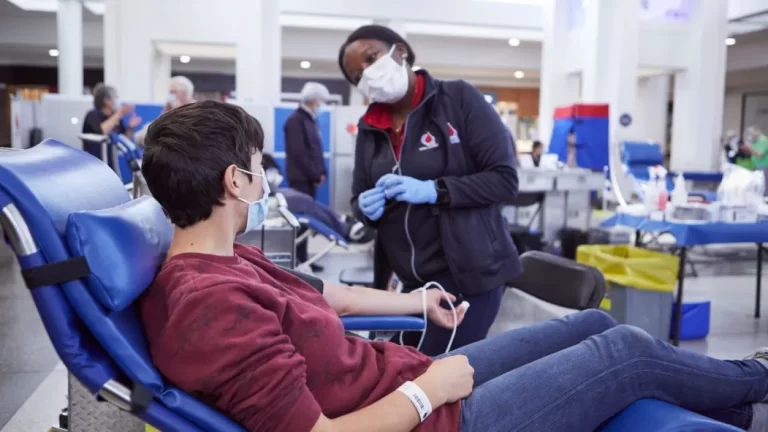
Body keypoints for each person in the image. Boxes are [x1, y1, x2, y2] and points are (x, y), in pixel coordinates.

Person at [139, 101, 768, 432]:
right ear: (234, 181)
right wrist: (427, 392)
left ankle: (733, 410)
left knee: (589, 327)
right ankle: (755, 378)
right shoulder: (210, 307)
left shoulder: (224, 261)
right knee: (624, 349)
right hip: (432, 419)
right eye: (257, 166)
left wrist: (418, 302)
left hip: (410, 382)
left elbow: (331, 299)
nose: (264, 179)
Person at [337, 25, 520, 355]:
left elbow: (504, 179)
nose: (367, 73)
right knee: (400, 367)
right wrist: (364, 208)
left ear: (400, 52)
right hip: (410, 284)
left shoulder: (458, 100)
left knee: (438, 375)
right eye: (357, 75)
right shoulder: (369, 128)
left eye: (371, 58)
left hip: (468, 274)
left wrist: (436, 190)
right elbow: (358, 196)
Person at [261, 153, 374, 244]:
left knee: (304, 198)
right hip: (269, 198)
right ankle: (346, 230)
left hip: (272, 194)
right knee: (305, 203)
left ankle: (341, 219)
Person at [285, 82, 331, 271]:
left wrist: (322, 172)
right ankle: (297, 260)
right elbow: (299, 153)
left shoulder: (310, 120)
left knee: (307, 221)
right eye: (321, 101)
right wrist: (314, 174)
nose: (321, 105)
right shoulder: (295, 120)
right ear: (315, 100)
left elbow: (316, 151)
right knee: (301, 222)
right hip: (301, 180)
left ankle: (303, 258)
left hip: (310, 179)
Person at [81, 83, 141, 160]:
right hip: (96, 160)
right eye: (115, 97)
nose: (117, 100)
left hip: (113, 160)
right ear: (106, 101)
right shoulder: (93, 115)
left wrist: (130, 127)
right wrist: (119, 113)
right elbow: (101, 131)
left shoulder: (116, 117)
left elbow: (124, 139)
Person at [134, 75, 196, 148]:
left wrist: (176, 114)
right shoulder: (167, 112)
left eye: (173, 92)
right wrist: (164, 115)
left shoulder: (196, 112)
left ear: (184, 94)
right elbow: (141, 138)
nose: (170, 96)